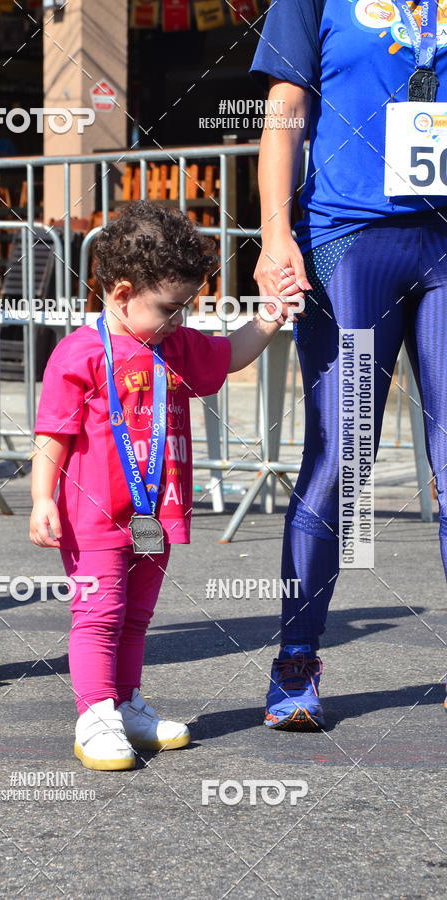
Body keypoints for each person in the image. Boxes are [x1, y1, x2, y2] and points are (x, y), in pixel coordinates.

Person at [29, 201, 301, 770]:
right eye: (170, 309)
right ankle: (95, 716)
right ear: (123, 293)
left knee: (135, 617)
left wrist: (272, 316)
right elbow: (53, 434)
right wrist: (40, 498)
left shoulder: (173, 345)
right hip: (94, 517)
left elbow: (230, 355)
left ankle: (125, 704)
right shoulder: (79, 353)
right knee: (99, 615)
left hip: (156, 514)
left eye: (186, 308)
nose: (180, 320)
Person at [250, 0, 447, 728]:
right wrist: (275, 234)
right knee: (343, 455)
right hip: (348, 239)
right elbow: (286, 107)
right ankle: (296, 660)